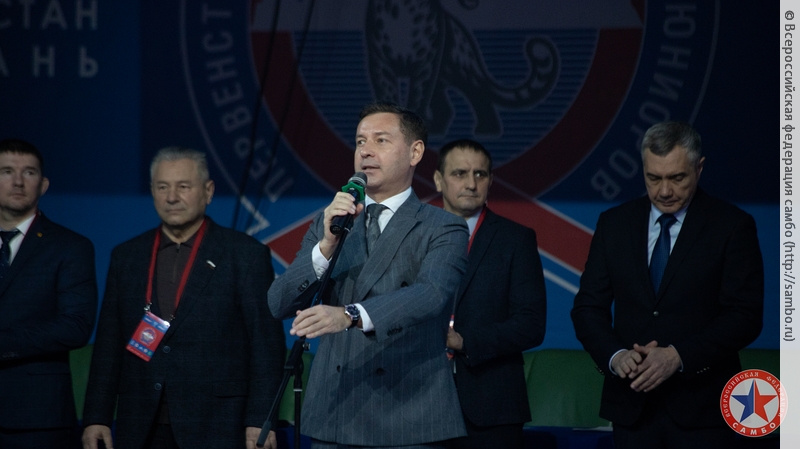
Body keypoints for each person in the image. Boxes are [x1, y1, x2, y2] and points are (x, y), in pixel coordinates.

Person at [268, 102, 469, 448]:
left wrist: (349, 315)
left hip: (409, 414)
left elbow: (431, 293)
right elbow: (279, 303)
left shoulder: (443, 226)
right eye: (360, 141)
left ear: (415, 152)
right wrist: (326, 246)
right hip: (335, 415)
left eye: (381, 140)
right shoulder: (330, 221)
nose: (366, 151)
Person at [571, 121, 764, 448]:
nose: (664, 191)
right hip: (632, 408)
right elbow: (588, 308)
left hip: (703, 411)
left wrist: (678, 356)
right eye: (653, 178)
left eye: (677, 178)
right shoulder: (613, 224)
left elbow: (745, 316)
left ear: (699, 168)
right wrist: (616, 356)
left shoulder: (732, 226)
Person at [81, 147, 285, 449]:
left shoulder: (245, 255)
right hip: (141, 423)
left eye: (183, 186)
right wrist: (96, 416)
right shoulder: (127, 256)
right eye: (162, 187)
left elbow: (266, 347)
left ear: (208, 191)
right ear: (152, 191)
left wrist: (261, 420)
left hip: (217, 424)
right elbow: (109, 345)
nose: (172, 197)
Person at [433, 139, 546, 449]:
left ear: (491, 180)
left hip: (491, 408)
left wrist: (464, 341)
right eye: (459, 173)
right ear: (439, 180)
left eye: (480, 174)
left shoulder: (516, 240)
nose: (471, 184)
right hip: (419, 401)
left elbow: (531, 324)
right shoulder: (415, 237)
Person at [0, 139, 98, 448]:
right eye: (7, 171)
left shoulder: (71, 247)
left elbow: (76, 326)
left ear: (43, 185)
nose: (18, 181)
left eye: (28, 172)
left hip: (36, 418)